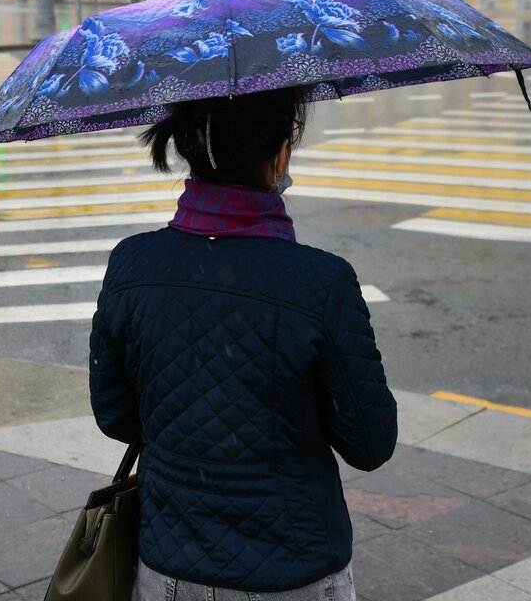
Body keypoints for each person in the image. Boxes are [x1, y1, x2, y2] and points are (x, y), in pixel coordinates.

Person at [90, 88, 398, 601]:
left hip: (168, 565)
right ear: (280, 155)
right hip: (293, 570)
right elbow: (370, 444)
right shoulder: (321, 283)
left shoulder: (131, 264)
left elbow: (116, 417)